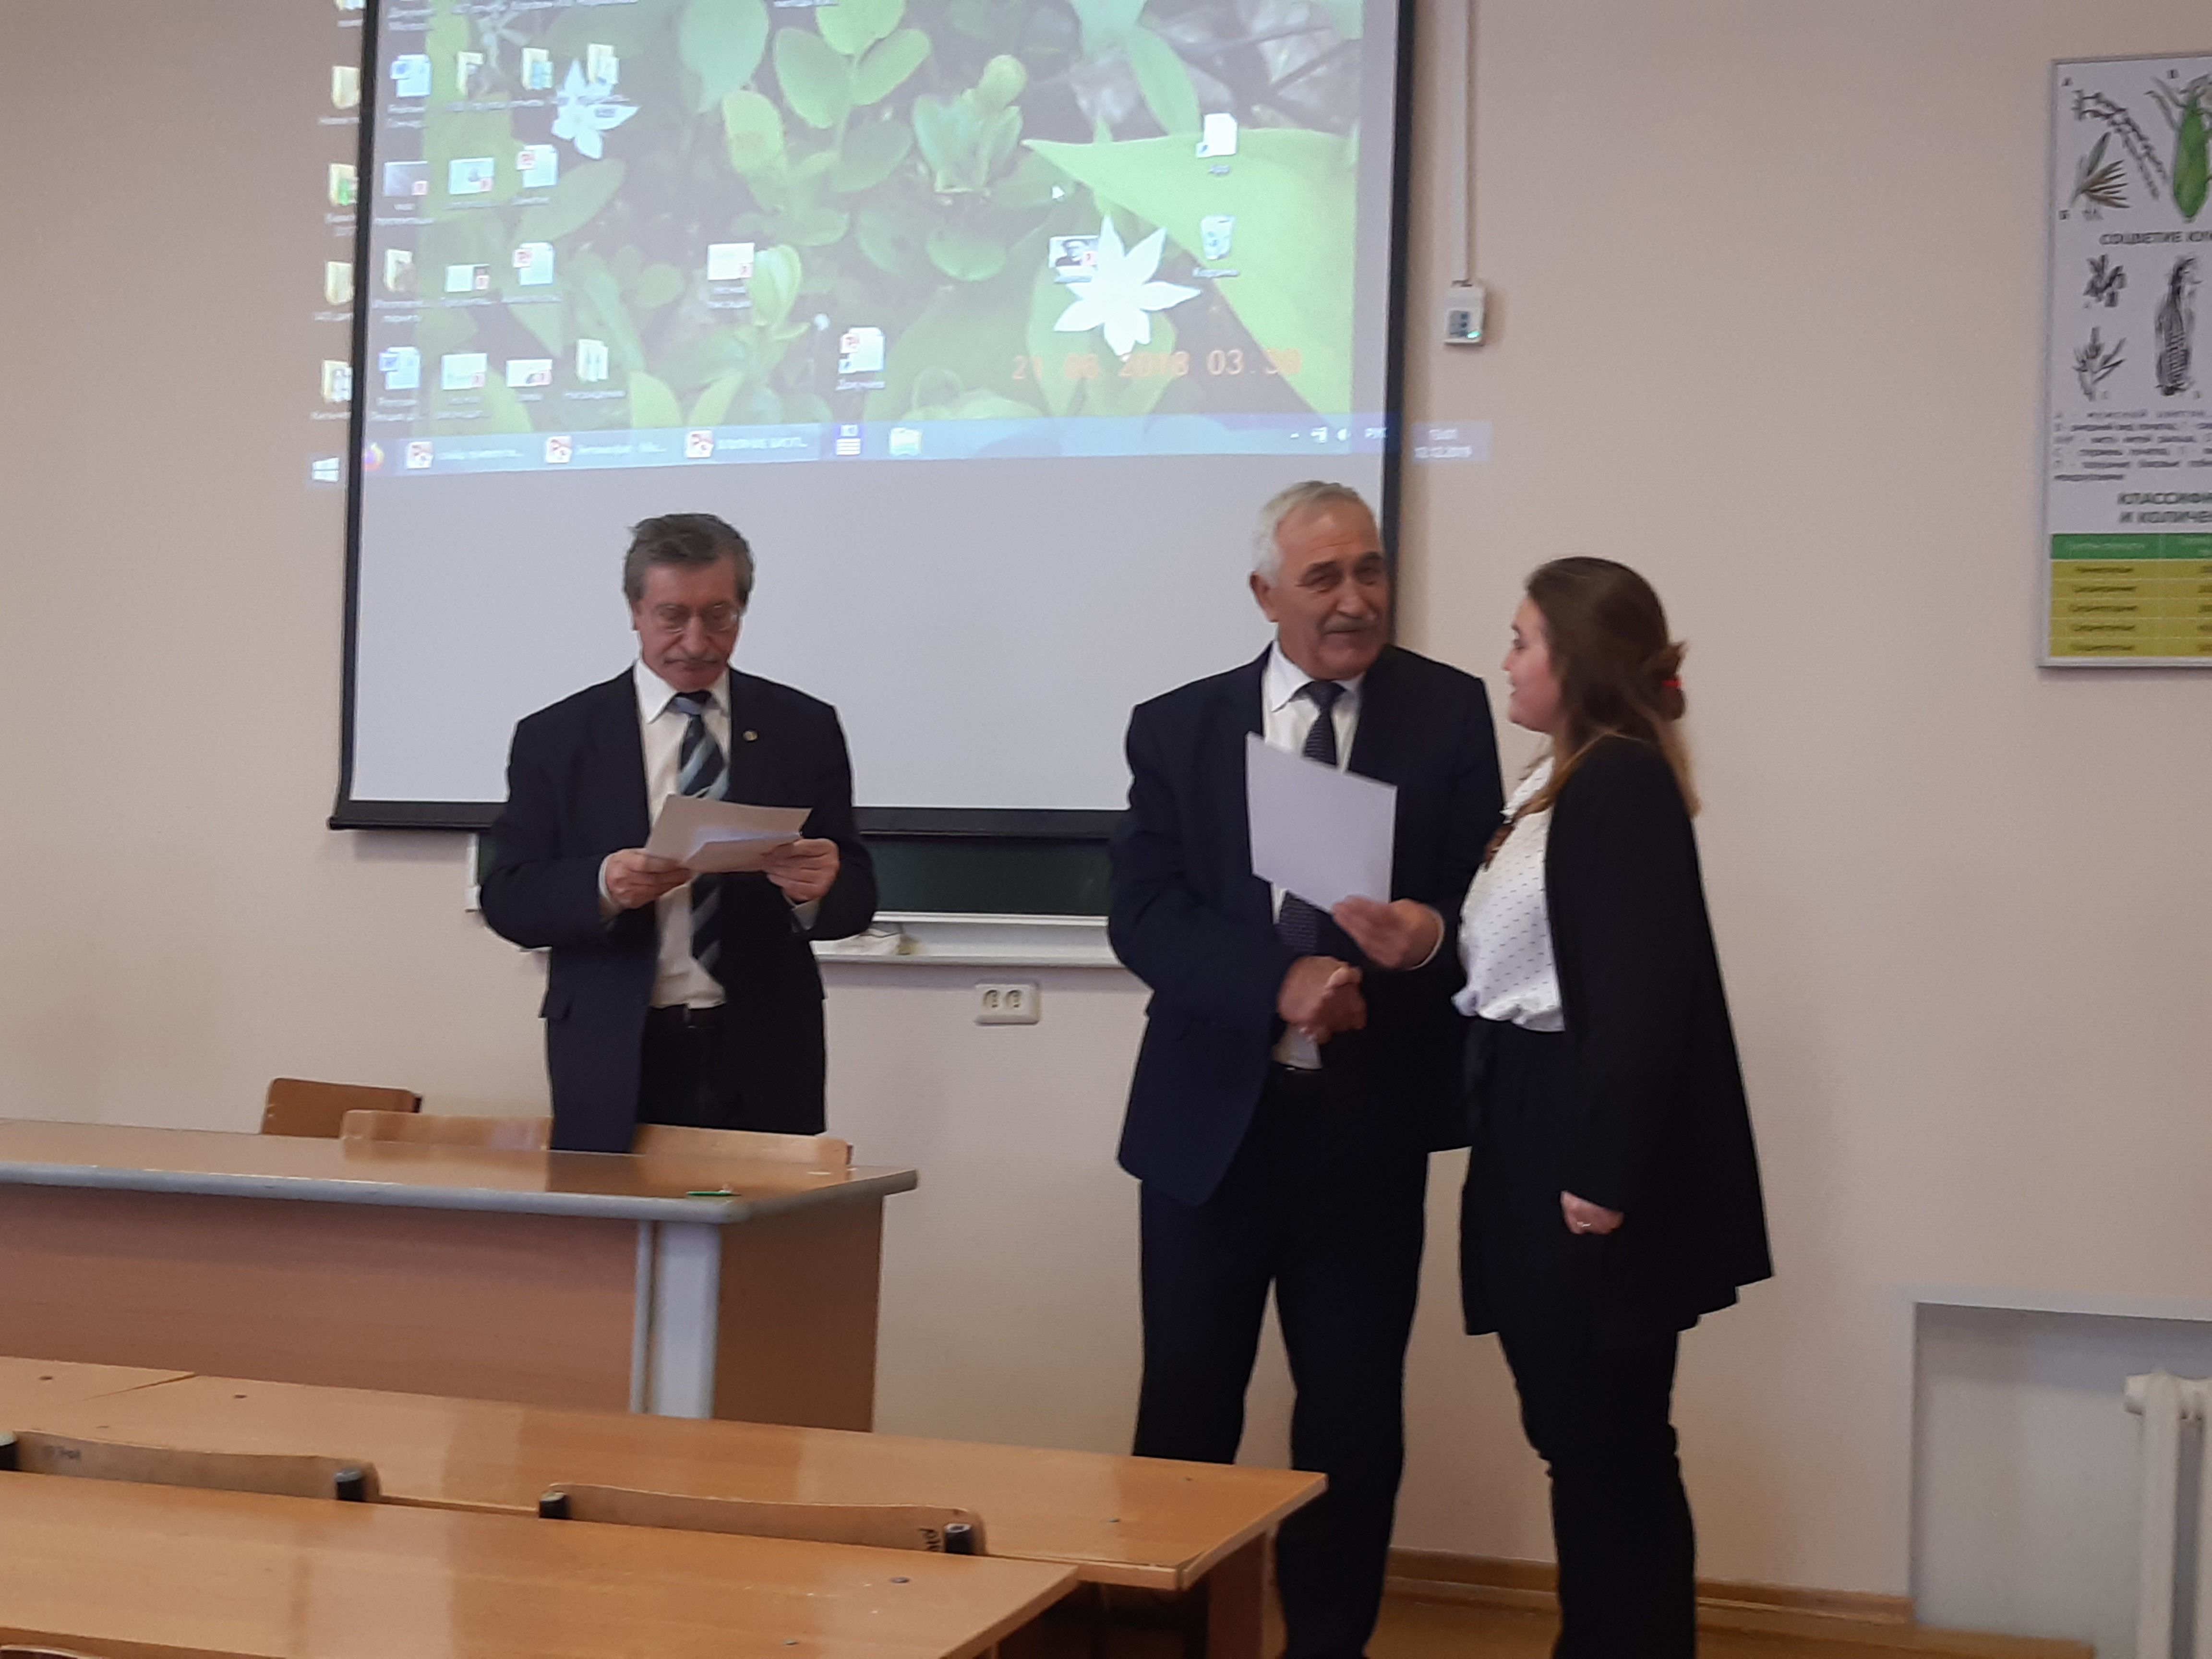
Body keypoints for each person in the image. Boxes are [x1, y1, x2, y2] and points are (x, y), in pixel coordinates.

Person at [1341, 556, 1770, 1655]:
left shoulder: (1618, 783)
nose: (1506, 661)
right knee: (1579, 1436)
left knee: (1607, 1441)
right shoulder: (1553, 779)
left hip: (1578, 1137)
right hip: (1529, 1116)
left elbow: (1643, 997)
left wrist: (1605, 1177)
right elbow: (1516, 959)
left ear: (1576, 661)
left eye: (1523, 640)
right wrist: (1419, 939)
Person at [1109, 482, 1502, 1659]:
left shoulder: (1447, 711)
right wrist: (1274, 983)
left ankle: (1328, 1645)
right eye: (1324, 577)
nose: (1354, 599)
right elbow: (1144, 914)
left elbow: (1478, 904)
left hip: (1365, 1131)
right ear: (1265, 593)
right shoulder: (1179, 727)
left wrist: (1420, 942)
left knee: (1354, 1422)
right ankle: (1165, 1644)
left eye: (1369, 571)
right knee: (1186, 1410)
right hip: (1208, 1132)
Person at [480, 514, 876, 1153]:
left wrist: (818, 889)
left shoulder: (802, 727)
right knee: (611, 1220)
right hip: (615, 1050)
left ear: (743, 610)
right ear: (635, 611)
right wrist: (603, 886)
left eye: (719, 616)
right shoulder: (557, 737)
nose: (696, 642)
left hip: (764, 1049)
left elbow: (856, 897)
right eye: (672, 617)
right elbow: (508, 898)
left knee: (763, 1221)